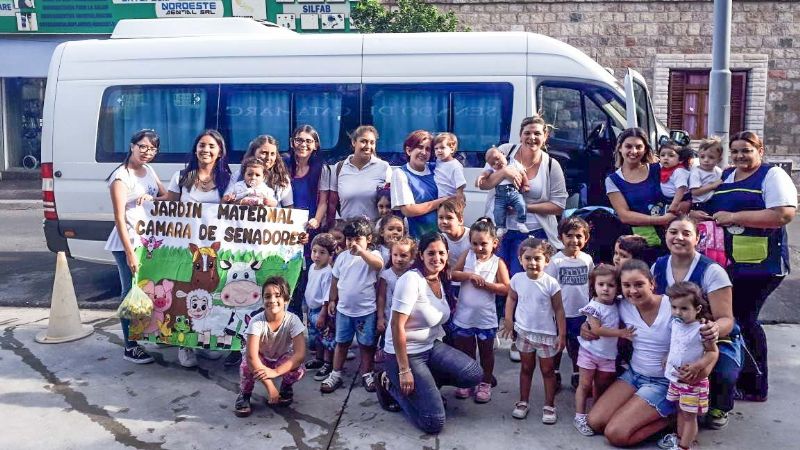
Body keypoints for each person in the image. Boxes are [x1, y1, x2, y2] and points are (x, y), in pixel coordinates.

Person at [693, 131, 797, 403]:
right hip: (730, 263)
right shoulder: (727, 175)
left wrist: (735, 217)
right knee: (735, 318)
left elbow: (783, 214)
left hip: (762, 264)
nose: (740, 156)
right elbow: (710, 203)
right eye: (736, 151)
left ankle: (755, 384)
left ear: (760, 150)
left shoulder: (772, 175)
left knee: (744, 318)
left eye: (746, 150)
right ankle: (739, 378)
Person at [585, 260, 718, 447]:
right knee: (595, 421)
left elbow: (702, 336)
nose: (633, 291)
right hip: (634, 375)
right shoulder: (622, 305)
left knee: (616, 434)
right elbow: (599, 313)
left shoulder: (674, 306)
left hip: (663, 381)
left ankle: (674, 418)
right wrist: (587, 326)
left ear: (652, 283)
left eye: (639, 284)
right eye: (627, 285)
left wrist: (709, 336)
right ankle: (649, 411)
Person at [374, 232, 483, 434]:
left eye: (441, 253)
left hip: (431, 347)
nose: (437, 258)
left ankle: (425, 388)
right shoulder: (411, 280)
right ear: (421, 256)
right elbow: (396, 325)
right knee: (433, 422)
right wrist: (404, 370)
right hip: (405, 354)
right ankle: (390, 384)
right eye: (431, 253)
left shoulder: (440, 278)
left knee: (473, 374)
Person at [651, 215, 736, 430]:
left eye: (686, 233)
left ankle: (720, 405)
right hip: (674, 335)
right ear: (665, 235)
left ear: (698, 238)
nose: (678, 237)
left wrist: (713, 329)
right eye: (673, 232)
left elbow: (727, 319)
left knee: (722, 371)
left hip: (705, 338)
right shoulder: (658, 266)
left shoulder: (712, 271)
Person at [166, 129, 232, 368]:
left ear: (220, 151)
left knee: (212, 292)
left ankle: (206, 341)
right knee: (187, 293)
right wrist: (146, 201)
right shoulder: (181, 177)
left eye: (212, 146)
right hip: (187, 249)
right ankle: (185, 344)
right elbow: (168, 207)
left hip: (215, 250)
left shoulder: (228, 179)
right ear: (195, 149)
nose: (206, 150)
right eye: (202, 145)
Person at [477, 115, 568, 276]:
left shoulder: (551, 165)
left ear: (545, 136)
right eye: (527, 133)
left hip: (533, 233)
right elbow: (484, 184)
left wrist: (524, 208)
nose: (532, 138)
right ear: (520, 135)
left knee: (520, 278)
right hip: (500, 232)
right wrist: (505, 172)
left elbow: (558, 206)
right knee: (496, 277)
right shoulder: (505, 151)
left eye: (537, 134)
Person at [105, 129, 167, 364]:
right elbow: (119, 218)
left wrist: (154, 199)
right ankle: (130, 345)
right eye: (142, 147)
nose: (147, 152)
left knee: (149, 289)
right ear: (132, 146)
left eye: (152, 149)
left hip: (149, 241)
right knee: (128, 291)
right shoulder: (121, 177)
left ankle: (149, 332)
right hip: (128, 242)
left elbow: (166, 196)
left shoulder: (149, 170)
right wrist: (129, 253)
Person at [501, 238, 566, 424]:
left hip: (546, 336)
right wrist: (508, 320)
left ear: (547, 260)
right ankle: (523, 402)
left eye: (537, 258)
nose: (532, 263)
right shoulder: (517, 279)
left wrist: (561, 334)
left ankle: (549, 405)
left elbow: (559, 309)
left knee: (548, 371)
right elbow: (511, 299)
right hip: (523, 333)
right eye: (527, 258)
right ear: (520, 259)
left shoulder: (551, 283)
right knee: (526, 368)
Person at [450, 218, 510, 403]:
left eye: (484, 243)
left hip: (485, 318)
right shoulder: (467, 255)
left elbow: (506, 288)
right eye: (475, 243)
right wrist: (469, 275)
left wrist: (488, 286)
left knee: (486, 353)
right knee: (465, 351)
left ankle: (485, 382)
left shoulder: (497, 262)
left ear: (494, 243)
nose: (479, 248)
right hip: (464, 316)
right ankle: (467, 381)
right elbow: (453, 274)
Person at [321, 217, 384, 394]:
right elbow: (335, 279)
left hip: (366, 311)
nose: (353, 243)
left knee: (366, 345)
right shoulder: (342, 258)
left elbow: (378, 265)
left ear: (368, 239)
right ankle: (336, 373)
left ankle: (367, 373)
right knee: (341, 343)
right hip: (344, 311)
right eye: (350, 239)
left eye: (358, 239)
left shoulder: (374, 255)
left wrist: (362, 253)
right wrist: (332, 300)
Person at [573, 264, 634, 436]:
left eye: (611, 285)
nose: (605, 289)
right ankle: (579, 416)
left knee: (601, 385)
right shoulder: (594, 306)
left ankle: (595, 415)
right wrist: (621, 333)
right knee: (584, 385)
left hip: (607, 355)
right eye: (601, 285)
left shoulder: (617, 304)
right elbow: (597, 330)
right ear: (594, 286)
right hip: (589, 353)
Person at [233, 277, 306, 417]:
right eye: (267, 296)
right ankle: (245, 393)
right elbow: (251, 357)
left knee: (298, 368)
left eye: (277, 295)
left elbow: (300, 354)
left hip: (280, 358)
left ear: (286, 299)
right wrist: (270, 386)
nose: (272, 300)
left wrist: (276, 372)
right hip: (260, 359)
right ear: (262, 300)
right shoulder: (256, 322)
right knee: (246, 366)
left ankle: (286, 387)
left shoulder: (293, 320)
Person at [663, 282, 719, 450]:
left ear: (698, 309)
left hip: (692, 382)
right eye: (674, 307)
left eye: (684, 308)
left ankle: (684, 446)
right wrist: (667, 357)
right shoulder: (676, 324)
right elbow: (676, 345)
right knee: (681, 411)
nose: (677, 312)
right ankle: (681, 438)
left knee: (689, 417)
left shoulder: (701, 329)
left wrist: (697, 366)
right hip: (676, 379)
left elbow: (712, 352)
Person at [605, 128, 675, 264]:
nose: (634, 151)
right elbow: (624, 215)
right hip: (637, 244)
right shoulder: (613, 180)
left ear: (645, 149)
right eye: (628, 146)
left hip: (669, 238)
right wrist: (661, 220)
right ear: (620, 148)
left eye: (639, 147)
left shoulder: (658, 169)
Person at [546, 216, 595, 391]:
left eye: (579, 236)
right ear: (561, 237)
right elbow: (549, 287)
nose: (574, 240)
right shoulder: (555, 261)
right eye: (570, 235)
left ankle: (576, 374)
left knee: (577, 347)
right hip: (560, 314)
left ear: (586, 238)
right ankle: (555, 374)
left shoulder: (587, 259)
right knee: (558, 346)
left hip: (580, 314)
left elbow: (591, 283)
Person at [391, 130, 453, 238]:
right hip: (419, 239)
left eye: (428, 149)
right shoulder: (401, 174)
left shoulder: (437, 169)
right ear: (409, 150)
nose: (424, 152)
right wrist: (441, 202)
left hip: (444, 237)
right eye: (420, 147)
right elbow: (408, 210)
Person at [331, 125, 393, 221]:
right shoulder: (339, 168)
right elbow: (332, 202)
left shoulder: (384, 167)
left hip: (373, 231)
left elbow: (389, 202)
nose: (368, 146)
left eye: (372, 142)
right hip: (347, 231)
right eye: (363, 141)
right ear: (354, 142)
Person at [376, 237, 417, 364]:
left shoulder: (414, 274)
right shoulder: (386, 275)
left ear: (411, 257)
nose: (399, 259)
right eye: (395, 255)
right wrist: (380, 317)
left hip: (408, 319)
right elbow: (381, 297)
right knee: (388, 343)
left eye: (404, 255)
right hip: (389, 317)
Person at [303, 233, 336, 379]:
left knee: (326, 338)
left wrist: (323, 313)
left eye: (322, 253)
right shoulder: (312, 268)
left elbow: (327, 295)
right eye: (315, 251)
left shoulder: (328, 272)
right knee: (316, 338)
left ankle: (328, 363)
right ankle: (319, 359)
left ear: (330, 255)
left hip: (322, 311)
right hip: (311, 310)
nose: (317, 255)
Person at [231, 135, 293, 207]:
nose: (268, 158)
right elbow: (226, 204)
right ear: (253, 152)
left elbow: (289, 208)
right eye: (264, 153)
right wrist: (243, 202)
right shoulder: (238, 175)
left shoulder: (283, 179)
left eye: (272, 154)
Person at [481, 146, 530, 237]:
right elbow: (484, 179)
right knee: (498, 211)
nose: (496, 163)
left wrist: (526, 184)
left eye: (497, 159)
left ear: (503, 154)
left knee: (521, 204)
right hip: (500, 196)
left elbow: (523, 173)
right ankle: (501, 227)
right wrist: (482, 177)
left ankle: (521, 222)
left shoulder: (513, 163)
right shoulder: (493, 170)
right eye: (493, 163)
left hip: (514, 192)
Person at [437, 199, 470, 294]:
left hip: (468, 283)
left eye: (449, 218)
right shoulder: (440, 240)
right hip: (449, 283)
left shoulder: (471, 237)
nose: (444, 221)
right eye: (440, 217)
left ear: (460, 220)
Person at [657, 141, 691, 215]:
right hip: (667, 200)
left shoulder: (679, 171)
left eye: (671, 155)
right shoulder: (664, 168)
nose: (666, 158)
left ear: (680, 159)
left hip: (679, 200)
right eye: (662, 155)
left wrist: (674, 205)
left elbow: (681, 189)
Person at [688, 137, 724, 206]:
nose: (706, 160)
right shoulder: (696, 172)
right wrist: (713, 186)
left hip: (715, 203)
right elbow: (695, 192)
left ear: (719, 160)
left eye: (711, 157)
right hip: (700, 204)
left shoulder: (718, 171)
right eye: (702, 157)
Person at [432, 132, 466, 201]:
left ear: (452, 149)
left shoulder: (455, 166)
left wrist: (459, 204)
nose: (439, 150)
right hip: (438, 200)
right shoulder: (438, 161)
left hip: (449, 201)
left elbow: (460, 187)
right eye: (436, 148)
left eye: (442, 147)